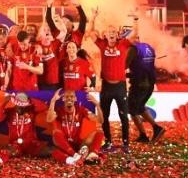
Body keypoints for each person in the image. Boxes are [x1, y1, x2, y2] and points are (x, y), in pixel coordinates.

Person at [87, 21, 136, 153]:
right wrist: (93, 18)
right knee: (105, 115)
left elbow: (135, 34)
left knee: (123, 116)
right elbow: (91, 33)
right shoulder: (102, 44)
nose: (111, 34)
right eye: (109, 32)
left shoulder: (123, 43)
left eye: (114, 32)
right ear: (105, 35)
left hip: (120, 87)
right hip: (106, 87)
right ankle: (108, 142)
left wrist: (135, 20)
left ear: (117, 34)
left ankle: (126, 144)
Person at [46, 89, 105, 166]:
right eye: (66, 97)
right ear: (63, 99)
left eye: (72, 96)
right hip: (65, 144)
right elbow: (49, 119)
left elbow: (100, 120)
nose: (69, 98)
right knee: (56, 134)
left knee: (99, 132)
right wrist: (53, 101)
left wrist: (97, 104)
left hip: (78, 143)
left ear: (75, 99)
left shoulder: (81, 109)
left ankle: (93, 154)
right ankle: (74, 156)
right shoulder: (59, 110)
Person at [127, 34, 165, 143]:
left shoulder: (133, 49)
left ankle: (147, 132)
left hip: (139, 84)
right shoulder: (148, 47)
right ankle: (153, 130)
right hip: (150, 83)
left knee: (132, 109)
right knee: (140, 108)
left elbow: (124, 66)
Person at [0, 92, 49, 161]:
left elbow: (44, 107)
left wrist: (30, 100)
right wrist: (5, 103)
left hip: (31, 144)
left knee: (48, 151)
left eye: (22, 105)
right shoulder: (10, 111)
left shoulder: (31, 110)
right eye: (19, 105)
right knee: (9, 152)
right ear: (15, 103)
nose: (20, 107)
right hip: (15, 145)